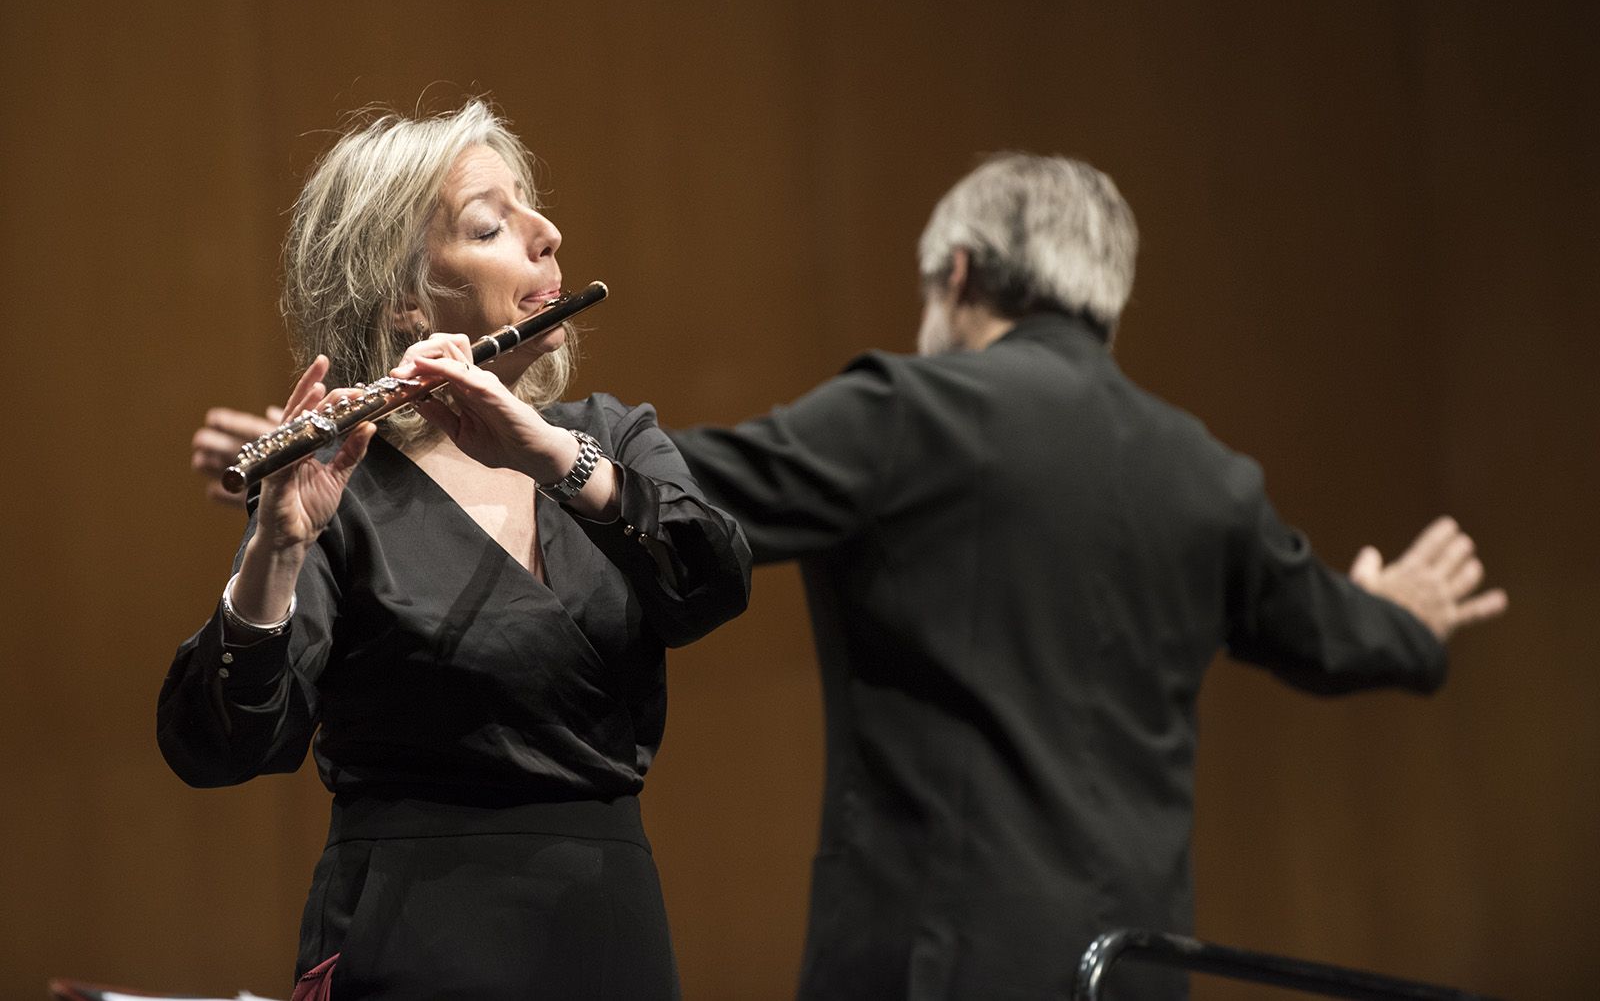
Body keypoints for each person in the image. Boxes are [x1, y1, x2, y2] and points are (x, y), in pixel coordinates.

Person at [193, 153, 1508, 1000]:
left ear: (958, 276)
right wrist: (1407, 621)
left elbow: (696, 514)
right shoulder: (1207, 477)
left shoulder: (910, 417)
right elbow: (1339, 632)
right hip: (1131, 966)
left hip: (927, 964)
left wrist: (473, 447)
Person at [162, 100, 751, 1001]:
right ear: (405, 297)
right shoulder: (339, 484)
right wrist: (276, 551)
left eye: (534, 209)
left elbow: (712, 579)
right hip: (412, 938)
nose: (548, 235)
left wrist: (552, 456)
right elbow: (222, 746)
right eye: (492, 224)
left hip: (606, 928)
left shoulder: (610, 437)